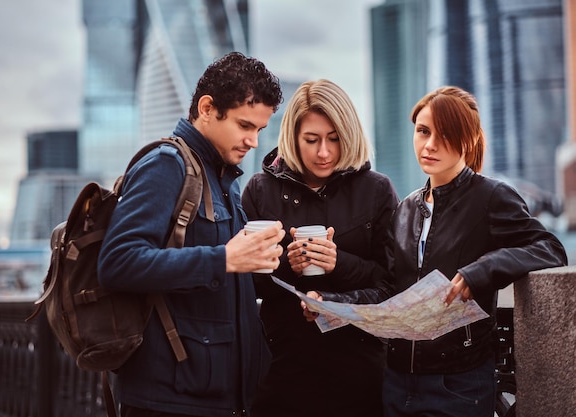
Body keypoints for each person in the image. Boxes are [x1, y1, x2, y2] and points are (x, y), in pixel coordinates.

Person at [304, 85, 568, 417]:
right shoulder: (406, 209)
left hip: (460, 382)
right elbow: (390, 289)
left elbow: (550, 248)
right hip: (398, 380)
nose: (430, 145)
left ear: (468, 139)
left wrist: (482, 270)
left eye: (444, 134)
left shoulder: (491, 197)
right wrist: (333, 305)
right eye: (423, 131)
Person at [97, 51, 286, 417]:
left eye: (260, 130)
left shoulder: (223, 179)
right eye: (245, 125)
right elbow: (118, 262)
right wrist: (224, 259)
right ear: (206, 108)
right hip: (170, 399)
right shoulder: (166, 165)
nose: (253, 141)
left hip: (213, 396)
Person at [242, 79, 399, 417]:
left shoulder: (377, 191)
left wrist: (337, 263)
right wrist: (286, 263)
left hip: (360, 372)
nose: (323, 152)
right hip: (281, 370)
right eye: (311, 140)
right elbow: (244, 283)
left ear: (350, 134)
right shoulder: (259, 190)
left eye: (333, 139)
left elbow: (392, 287)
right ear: (292, 138)